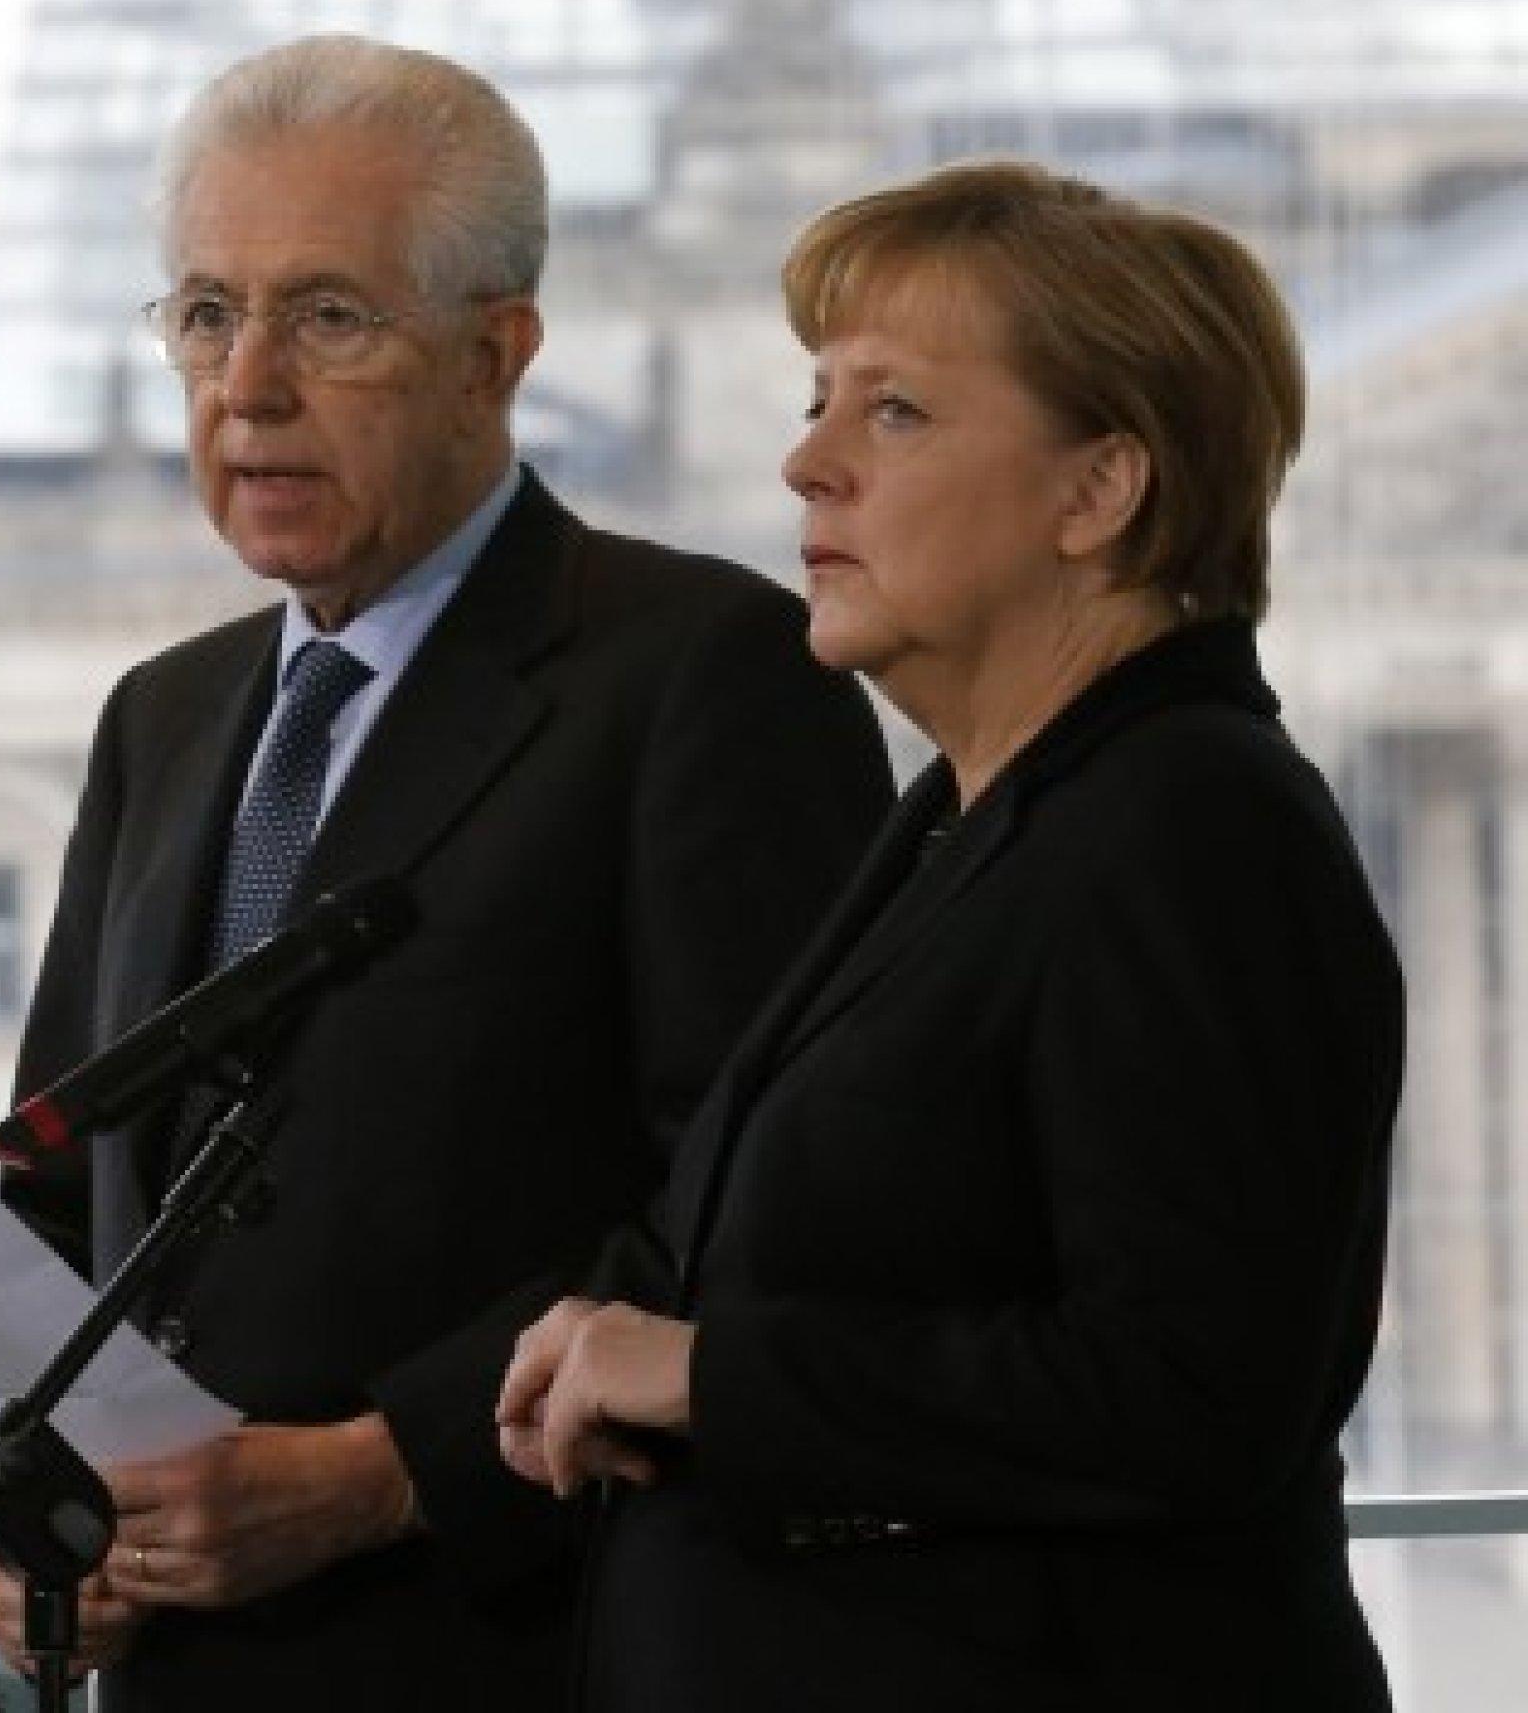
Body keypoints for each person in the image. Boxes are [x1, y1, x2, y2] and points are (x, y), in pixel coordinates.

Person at [0, 33, 895, 1710]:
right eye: (206, 314)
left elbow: (765, 1211)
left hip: (520, 1656)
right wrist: (27, 1510)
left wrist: (383, 1470)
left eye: (328, 316)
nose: (249, 385)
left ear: (494, 352)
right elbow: (62, 1181)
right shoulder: (161, 714)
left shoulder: (706, 674)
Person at [498, 160, 1405, 1712]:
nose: (807, 463)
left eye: (896, 411)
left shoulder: (1194, 821)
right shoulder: (966, 815)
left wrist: (713, 1374)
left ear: (1098, 491)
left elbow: (1191, 1391)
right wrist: (618, 1332)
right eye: (818, 402)